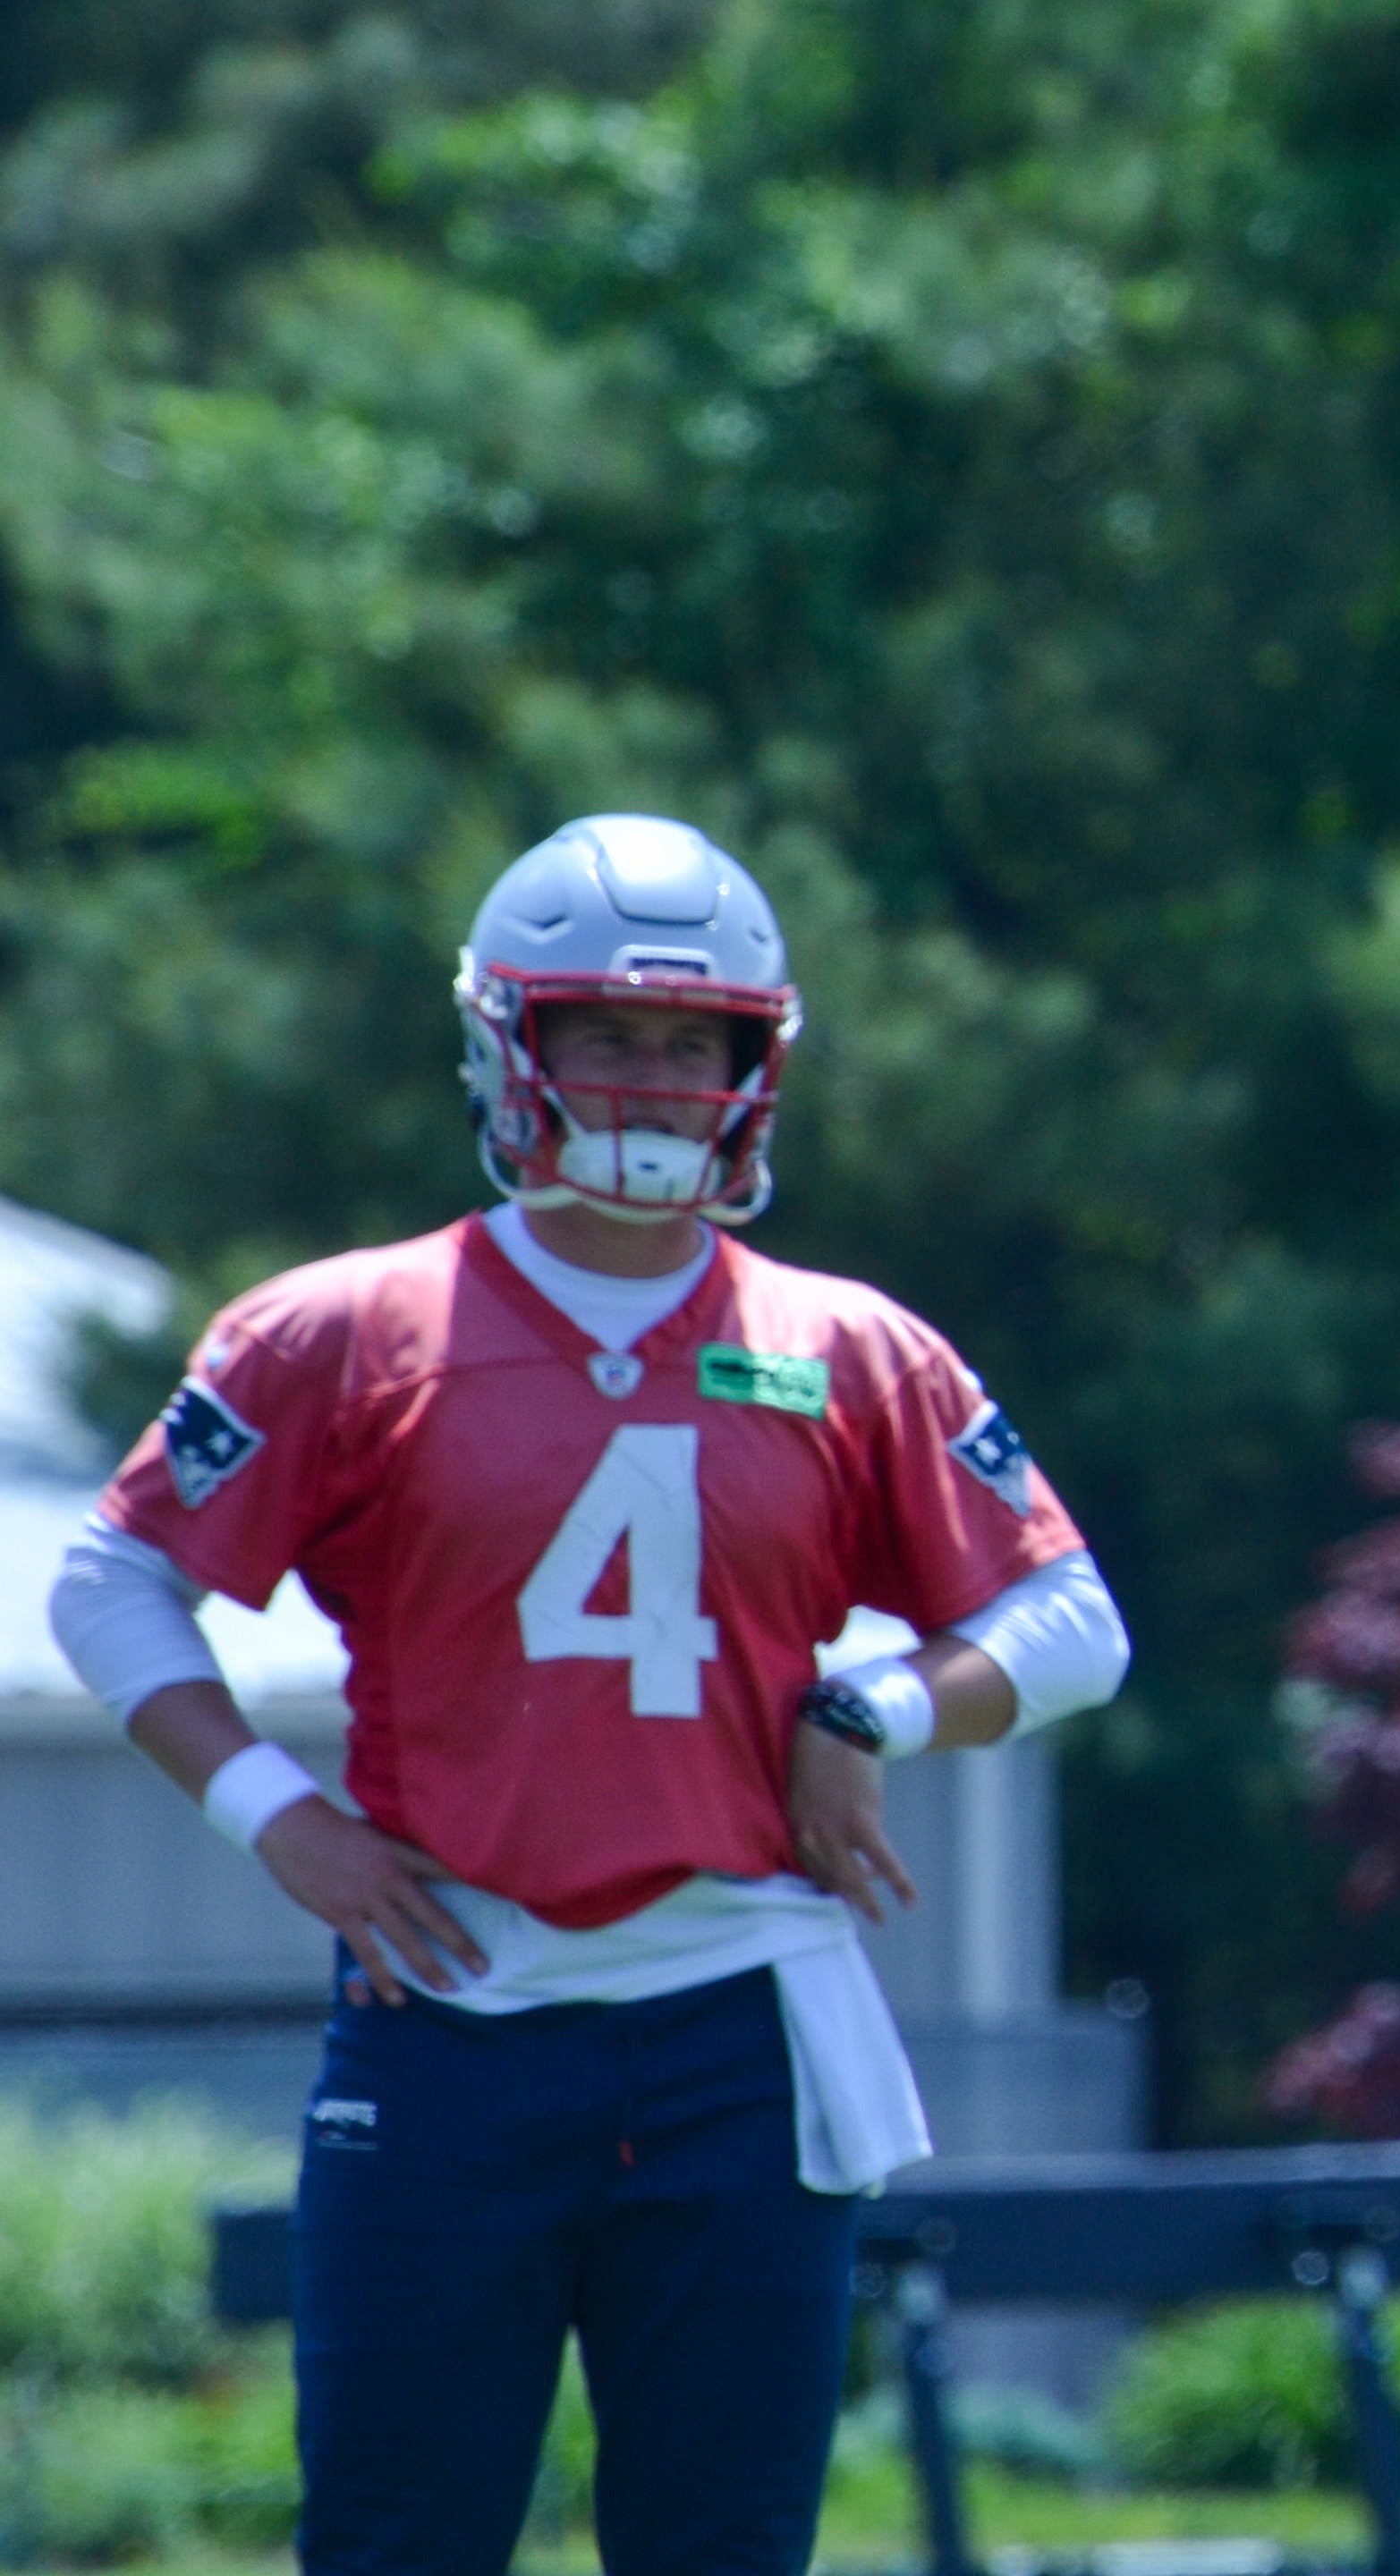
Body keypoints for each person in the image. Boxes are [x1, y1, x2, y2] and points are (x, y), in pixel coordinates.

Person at [39, 814, 1133, 2576]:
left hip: (736, 2028)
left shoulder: (848, 1344)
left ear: (753, 1067)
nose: (649, 1078)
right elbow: (108, 1586)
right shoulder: (342, 1329)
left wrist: (871, 1711)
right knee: (399, 2547)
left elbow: (1072, 1618)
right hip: (446, 2013)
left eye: (690, 1042)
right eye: (604, 1035)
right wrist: (277, 1818)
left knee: (723, 2549)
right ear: (508, 1047)